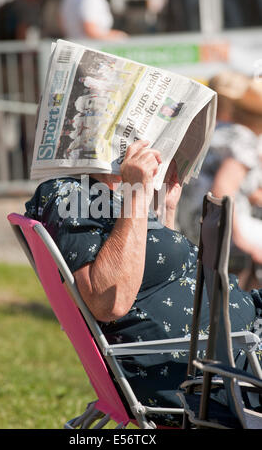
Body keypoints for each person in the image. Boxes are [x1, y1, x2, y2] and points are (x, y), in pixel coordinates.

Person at [25, 140, 262, 426]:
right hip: (223, 367)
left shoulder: (115, 197)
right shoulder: (69, 193)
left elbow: (161, 275)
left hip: (235, 340)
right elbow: (109, 301)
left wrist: (164, 211)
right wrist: (136, 193)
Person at [178, 71, 262, 271]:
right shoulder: (242, 138)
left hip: (191, 224)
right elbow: (223, 189)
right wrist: (239, 240)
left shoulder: (212, 132)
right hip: (220, 230)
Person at [59, 0, 127, 40]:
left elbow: (62, 24)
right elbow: (90, 29)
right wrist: (119, 36)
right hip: (92, 48)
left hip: (73, 45)